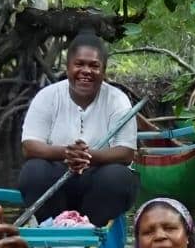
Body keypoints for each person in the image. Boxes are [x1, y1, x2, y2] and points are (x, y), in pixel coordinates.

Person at [17, 33, 139, 225]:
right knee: (33, 171)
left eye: (94, 66)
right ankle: (53, 229)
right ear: (68, 68)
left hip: (98, 179)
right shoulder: (47, 96)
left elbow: (126, 153)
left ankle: (94, 231)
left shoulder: (117, 100)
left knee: (118, 177)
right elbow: (29, 146)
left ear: (103, 71)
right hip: (58, 176)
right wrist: (67, 153)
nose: (86, 71)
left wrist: (86, 156)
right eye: (79, 64)